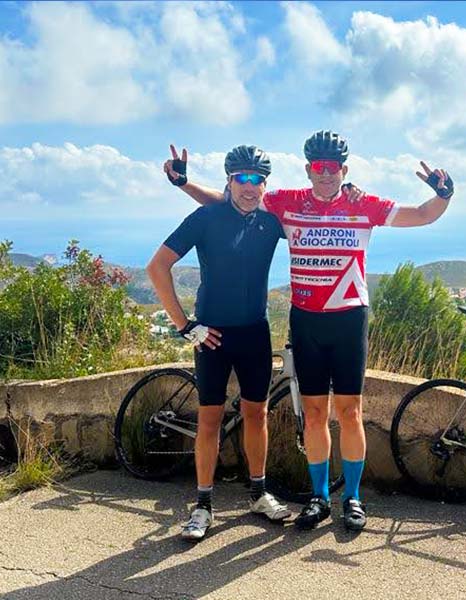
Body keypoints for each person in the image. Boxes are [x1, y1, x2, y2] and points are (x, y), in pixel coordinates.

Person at [163, 131, 455, 532]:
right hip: (306, 319)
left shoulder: (363, 203)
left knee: (350, 413)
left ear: (344, 170)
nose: (326, 174)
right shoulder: (288, 202)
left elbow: (420, 215)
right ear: (308, 169)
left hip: (349, 318)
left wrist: (443, 195)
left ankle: (352, 497)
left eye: (333, 167)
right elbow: (230, 202)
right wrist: (184, 184)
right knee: (315, 414)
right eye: (318, 166)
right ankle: (319, 498)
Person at [148, 145, 292, 541]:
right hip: (211, 335)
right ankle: (203, 506)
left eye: (258, 179)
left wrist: (349, 195)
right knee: (209, 419)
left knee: (257, 415)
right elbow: (157, 267)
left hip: (255, 332)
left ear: (265, 184)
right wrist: (185, 326)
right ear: (229, 181)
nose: (250, 186)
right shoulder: (205, 218)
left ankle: (259, 494)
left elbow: (315, 219)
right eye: (242, 178)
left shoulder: (270, 222)